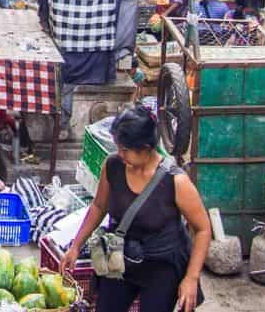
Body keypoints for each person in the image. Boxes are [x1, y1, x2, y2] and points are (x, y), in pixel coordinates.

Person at [60, 106, 211, 312]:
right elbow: (98, 206)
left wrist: (191, 278)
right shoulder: (112, 166)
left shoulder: (175, 181)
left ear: (146, 147)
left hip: (161, 266)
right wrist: (76, 246)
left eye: (125, 150)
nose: (120, 154)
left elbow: (203, 229)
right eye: (118, 147)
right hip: (120, 259)